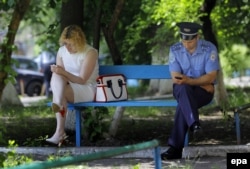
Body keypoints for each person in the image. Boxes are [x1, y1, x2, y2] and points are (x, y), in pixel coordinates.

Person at [161, 22, 220, 160]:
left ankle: (175, 149)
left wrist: (189, 81)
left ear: (197, 37)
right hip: (187, 88)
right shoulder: (175, 49)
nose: (186, 45)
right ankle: (194, 124)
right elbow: (176, 79)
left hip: (203, 93)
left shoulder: (209, 49)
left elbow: (211, 76)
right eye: (184, 41)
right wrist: (201, 82)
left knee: (184, 100)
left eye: (190, 41)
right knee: (183, 89)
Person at [46, 25, 99, 146]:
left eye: (71, 44)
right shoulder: (62, 51)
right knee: (56, 75)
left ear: (79, 42)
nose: (67, 48)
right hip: (67, 86)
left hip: (87, 88)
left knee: (60, 90)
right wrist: (59, 72)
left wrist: (63, 72)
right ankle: (60, 131)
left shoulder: (90, 52)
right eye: (65, 44)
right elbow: (61, 76)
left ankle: (59, 131)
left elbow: (82, 80)